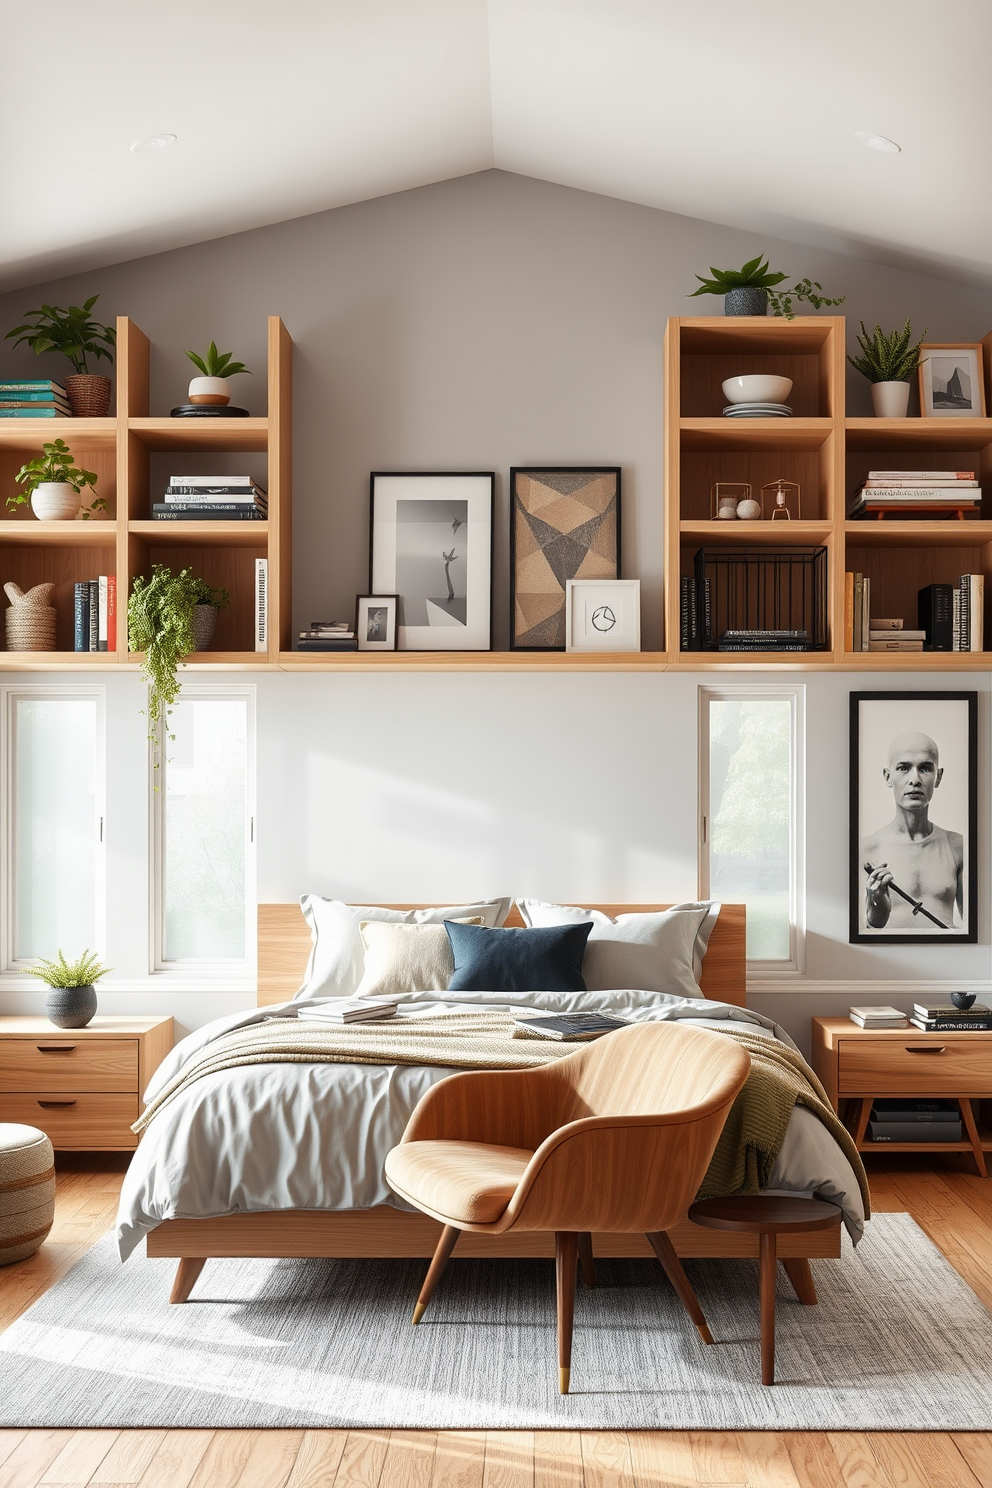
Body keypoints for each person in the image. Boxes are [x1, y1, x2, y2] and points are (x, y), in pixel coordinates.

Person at [861, 731, 963, 931]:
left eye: (925, 768)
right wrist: (878, 909)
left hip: (947, 958)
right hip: (889, 961)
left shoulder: (959, 846)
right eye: (903, 768)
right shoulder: (866, 849)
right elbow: (861, 936)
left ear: (938, 777)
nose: (914, 779)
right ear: (888, 776)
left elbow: (978, 927)